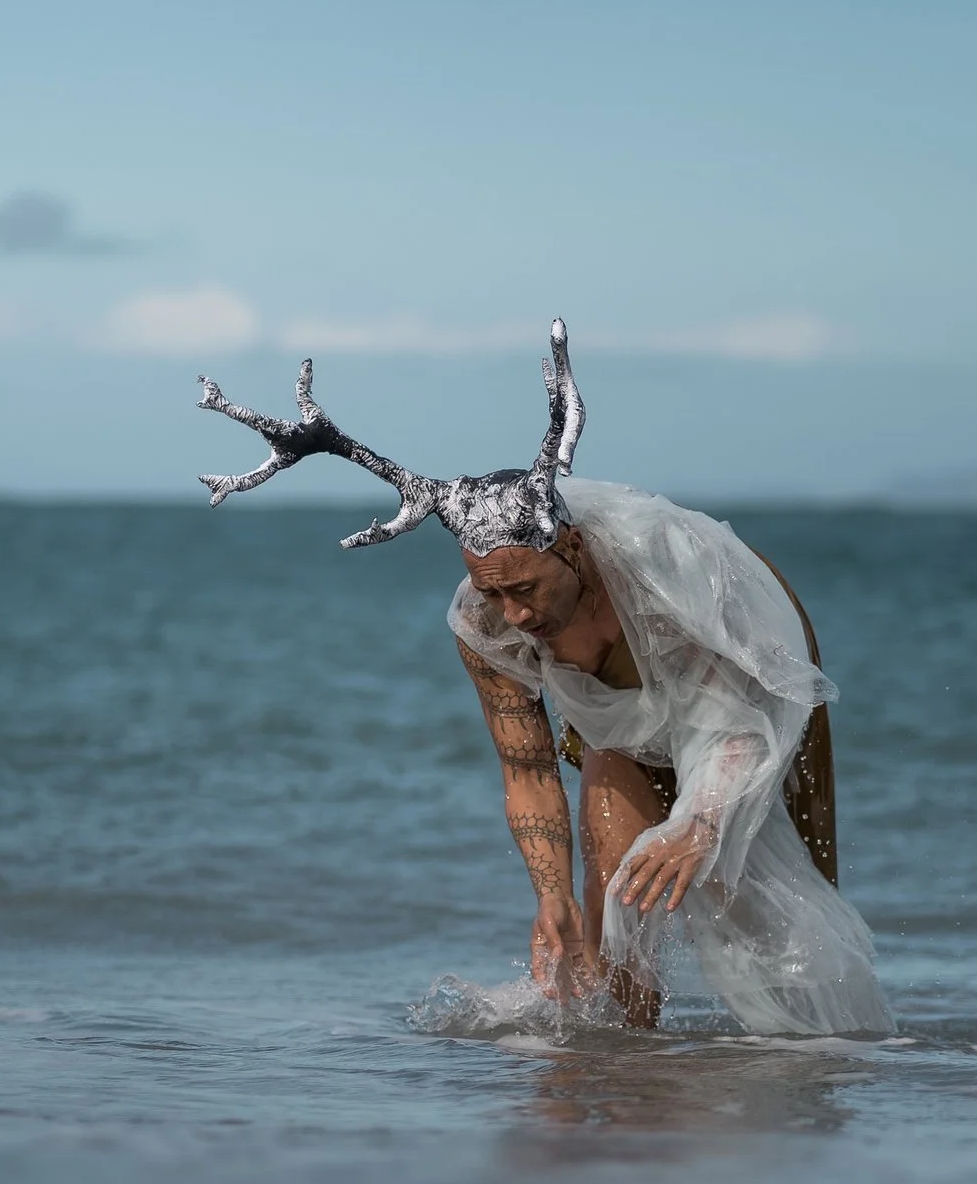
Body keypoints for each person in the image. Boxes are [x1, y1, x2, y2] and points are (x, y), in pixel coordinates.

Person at [196, 321, 892, 1037]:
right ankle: (625, 1077)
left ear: (575, 549)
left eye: (525, 588)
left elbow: (736, 721)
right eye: (492, 591)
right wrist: (550, 899)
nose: (514, 614)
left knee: (791, 925)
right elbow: (527, 770)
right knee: (611, 909)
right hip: (625, 728)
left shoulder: (661, 577)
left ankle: (823, 1078)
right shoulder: (487, 623)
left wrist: (703, 821)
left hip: (752, 677)